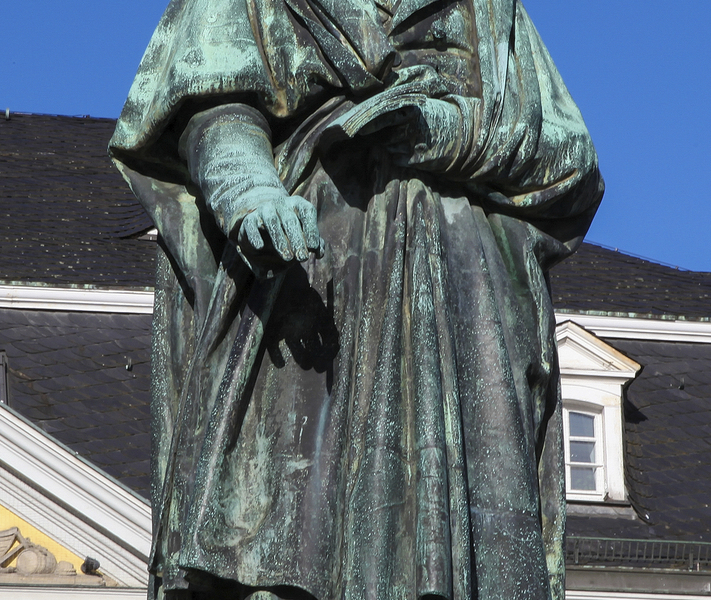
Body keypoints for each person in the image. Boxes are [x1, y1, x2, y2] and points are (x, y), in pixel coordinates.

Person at [110, 2, 602, 600]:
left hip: (466, 302)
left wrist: (443, 131)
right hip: (312, 277)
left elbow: (570, 161)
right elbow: (212, 106)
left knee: (474, 555)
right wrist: (251, 194)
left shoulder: (489, 10)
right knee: (286, 539)